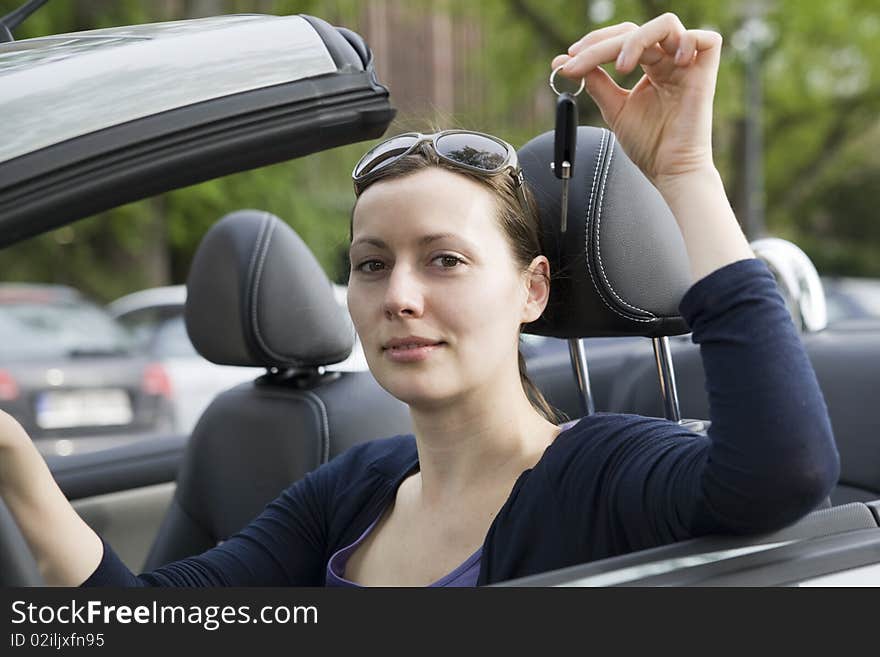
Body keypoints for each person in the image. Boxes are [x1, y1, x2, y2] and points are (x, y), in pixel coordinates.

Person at [0, 14, 838, 587]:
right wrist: (16, 463)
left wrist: (686, 170)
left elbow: (784, 469)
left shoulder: (599, 469)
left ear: (531, 289)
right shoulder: (351, 490)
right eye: (371, 265)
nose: (399, 296)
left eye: (443, 260)